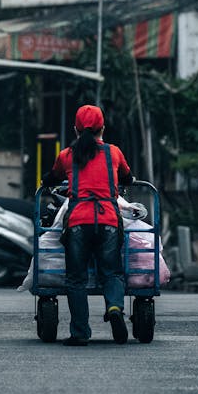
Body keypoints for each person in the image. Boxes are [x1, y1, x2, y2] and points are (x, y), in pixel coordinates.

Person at [41, 104, 134, 346]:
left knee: (76, 278)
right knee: (112, 272)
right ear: (103, 128)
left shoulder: (67, 155)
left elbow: (51, 178)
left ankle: (80, 333)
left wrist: (47, 181)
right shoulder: (114, 153)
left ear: (75, 129)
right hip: (108, 220)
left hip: (78, 222)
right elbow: (127, 177)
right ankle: (114, 307)